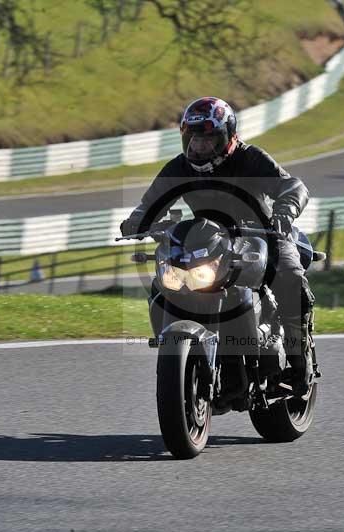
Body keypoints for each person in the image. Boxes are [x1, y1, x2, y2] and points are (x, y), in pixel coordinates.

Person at [120, 96, 316, 394]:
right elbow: (149, 204)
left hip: (263, 235)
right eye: (194, 139)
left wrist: (283, 213)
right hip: (210, 241)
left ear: (228, 137)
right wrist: (137, 221)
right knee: (166, 282)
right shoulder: (179, 168)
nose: (200, 147)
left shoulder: (250, 159)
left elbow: (292, 186)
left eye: (208, 140)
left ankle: (297, 363)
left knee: (289, 278)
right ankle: (177, 347)